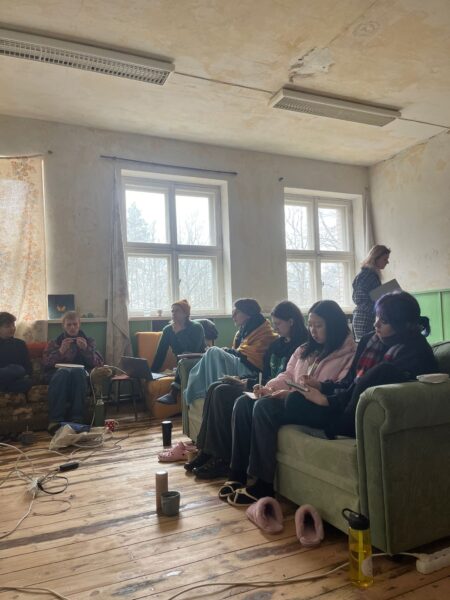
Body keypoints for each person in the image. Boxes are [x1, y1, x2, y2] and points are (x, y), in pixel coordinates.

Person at [226, 292, 437, 506]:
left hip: (349, 414)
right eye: (376, 317)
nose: (376, 324)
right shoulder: (369, 340)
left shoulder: (414, 351)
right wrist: (321, 387)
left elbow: (368, 390)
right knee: (249, 402)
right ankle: (238, 474)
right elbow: (349, 383)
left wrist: (326, 400)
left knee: (283, 403)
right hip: (338, 403)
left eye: (384, 321)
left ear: (402, 324)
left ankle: (263, 486)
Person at [224, 299, 357, 506]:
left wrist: (289, 393)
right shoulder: (305, 349)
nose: (313, 331)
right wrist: (268, 388)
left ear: (333, 325)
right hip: (290, 397)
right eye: (310, 325)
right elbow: (287, 374)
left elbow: (338, 388)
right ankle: (237, 473)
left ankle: (264, 485)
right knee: (243, 402)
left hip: (313, 406)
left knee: (264, 407)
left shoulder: (349, 354)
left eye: (319, 325)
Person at [185, 300, 308, 479]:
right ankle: (207, 451)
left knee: (222, 393)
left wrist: (253, 384)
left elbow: (291, 379)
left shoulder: (302, 346)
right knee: (215, 387)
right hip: (263, 386)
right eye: (274, 323)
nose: (275, 328)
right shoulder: (276, 344)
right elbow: (266, 375)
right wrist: (246, 382)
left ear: (291, 321)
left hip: (275, 392)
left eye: (279, 324)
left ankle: (222, 459)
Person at [183, 298, 278, 405]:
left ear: (248, 314)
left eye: (236, 313)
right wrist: (227, 351)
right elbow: (238, 352)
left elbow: (250, 358)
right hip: (242, 364)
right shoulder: (241, 331)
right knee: (211, 353)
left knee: (213, 352)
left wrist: (226, 351)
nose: (233, 316)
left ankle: (205, 394)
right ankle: (203, 392)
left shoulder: (264, 331)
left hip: (252, 370)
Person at [43, 311, 103, 433]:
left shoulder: (89, 341)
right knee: (63, 373)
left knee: (78, 372)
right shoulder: (55, 342)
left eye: (75, 324)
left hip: (79, 375)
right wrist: (60, 351)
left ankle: (77, 420)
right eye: (69, 324)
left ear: (79, 324)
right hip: (59, 375)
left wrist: (85, 349)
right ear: (63, 326)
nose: (72, 327)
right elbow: (45, 363)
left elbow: (98, 363)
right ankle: (55, 420)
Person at [152, 300, 206, 405]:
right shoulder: (168, 330)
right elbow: (161, 353)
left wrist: (180, 333)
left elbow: (192, 350)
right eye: (172, 311)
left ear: (185, 314)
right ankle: (173, 392)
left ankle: (173, 392)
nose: (173, 313)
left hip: (198, 361)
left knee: (185, 356)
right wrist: (152, 372)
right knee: (182, 360)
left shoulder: (196, 327)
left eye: (177, 311)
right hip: (181, 363)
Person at [352, 244, 391, 340]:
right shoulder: (368, 274)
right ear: (376, 258)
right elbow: (359, 297)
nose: (387, 262)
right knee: (367, 346)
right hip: (365, 317)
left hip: (364, 316)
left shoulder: (367, 274)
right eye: (385, 259)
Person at [0, 312, 32, 393]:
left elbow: (28, 368)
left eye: (13, 325)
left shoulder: (20, 344)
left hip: (16, 379)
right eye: (7, 326)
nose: (12, 328)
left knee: (24, 378)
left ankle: (3, 387)